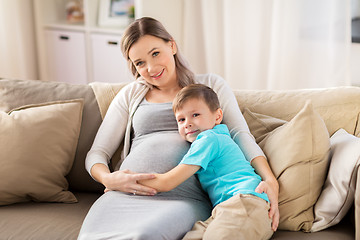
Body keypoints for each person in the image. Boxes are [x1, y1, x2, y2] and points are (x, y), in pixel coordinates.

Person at [78, 17, 279, 240]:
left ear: (171, 45)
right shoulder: (130, 95)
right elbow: (97, 153)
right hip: (124, 194)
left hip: (181, 197)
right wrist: (108, 179)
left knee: (142, 236)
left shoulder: (209, 86)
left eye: (155, 53)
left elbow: (240, 135)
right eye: (139, 63)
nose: (151, 68)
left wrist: (270, 179)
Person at [138, 84, 274, 240]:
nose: (187, 123)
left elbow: (166, 182)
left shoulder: (209, 139)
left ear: (217, 116)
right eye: (181, 119)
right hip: (225, 209)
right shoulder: (218, 136)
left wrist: (125, 180)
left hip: (246, 202)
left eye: (195, 115)